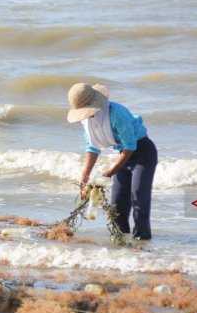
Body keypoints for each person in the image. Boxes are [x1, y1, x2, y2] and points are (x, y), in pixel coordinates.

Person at [66, 82, 157, 240]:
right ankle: (121, 245)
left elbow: (130, 145)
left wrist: (110, 172)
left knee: (139, 201)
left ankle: (142, 245)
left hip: (142, 153)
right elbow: (92, 147)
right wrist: (84, 177)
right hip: (124, 155)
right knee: (116, 207)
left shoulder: (116, 113)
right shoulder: (87, 120)